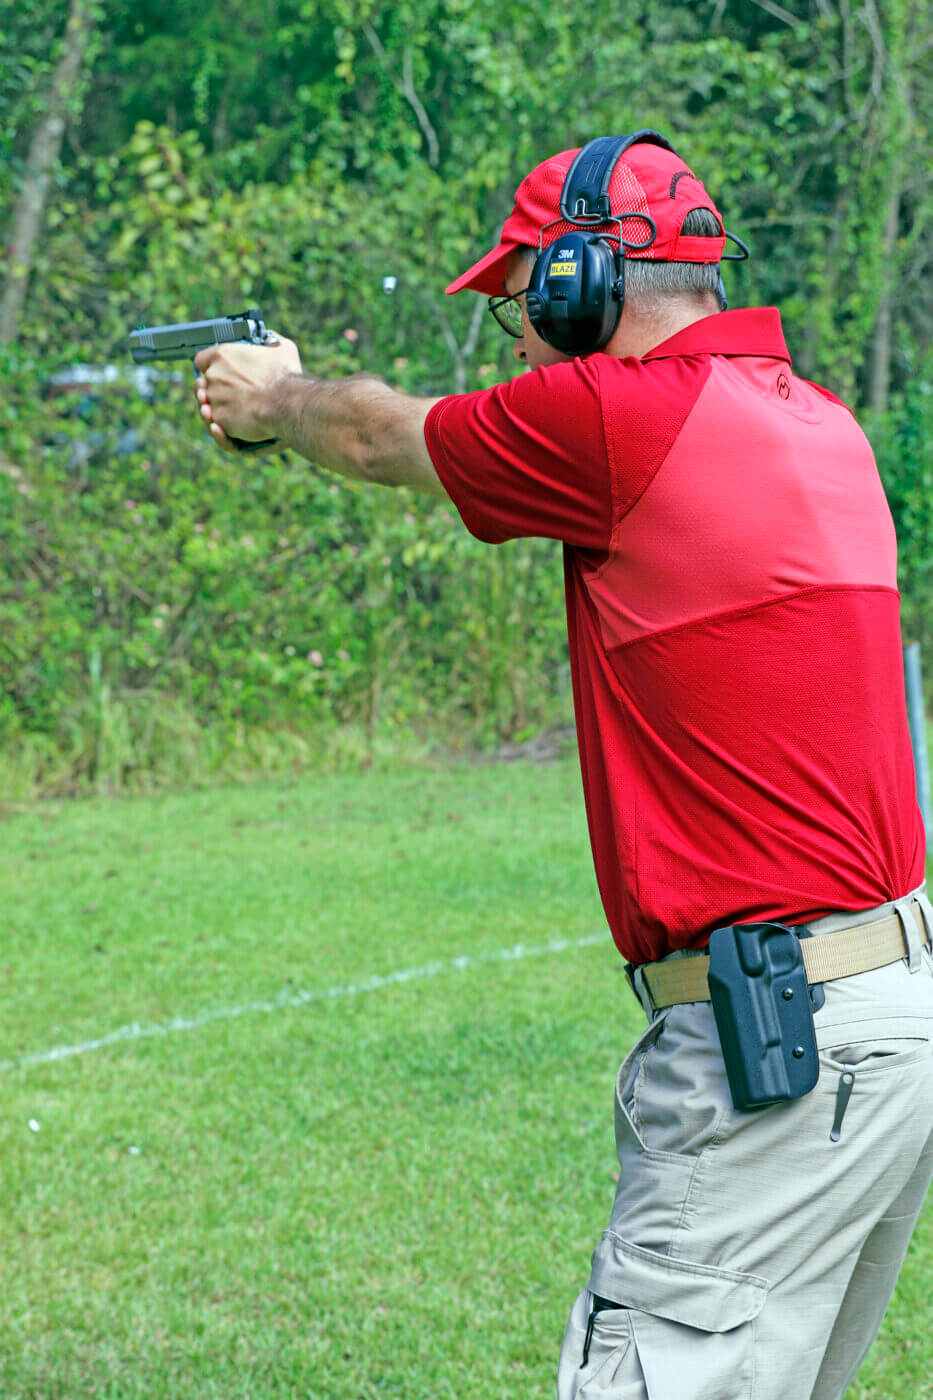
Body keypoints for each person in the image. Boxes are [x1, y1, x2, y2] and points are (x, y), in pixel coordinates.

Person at [192, 131, 933, 1400]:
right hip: (891, 1012)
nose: (518, 337)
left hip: (776, 1038)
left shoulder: (622, 416)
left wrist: (274, 398)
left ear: (581, 279)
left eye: (520, 299)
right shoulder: (822, 423)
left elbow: (378, 439)